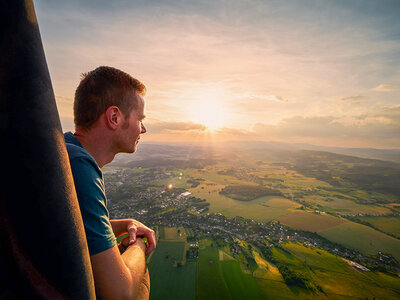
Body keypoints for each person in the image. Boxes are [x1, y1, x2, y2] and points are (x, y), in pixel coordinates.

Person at [64, 66, 156, 299]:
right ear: (114, 117)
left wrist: (124, 224)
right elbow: (119, 293)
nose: (143, 129)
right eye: (140, 119)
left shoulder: (66, 153)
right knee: (138, 281)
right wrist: (140, 245)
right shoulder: (79, 167)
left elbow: (74, 227)